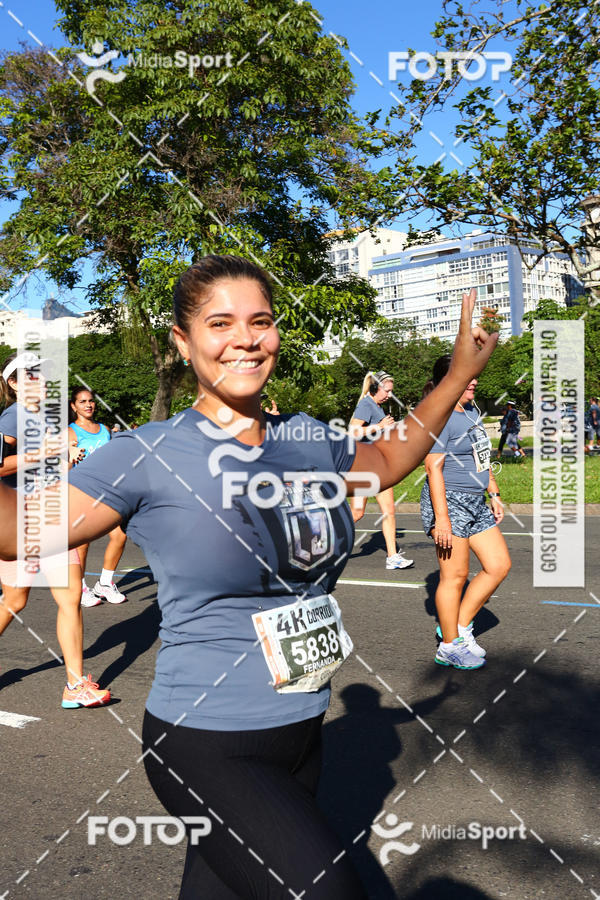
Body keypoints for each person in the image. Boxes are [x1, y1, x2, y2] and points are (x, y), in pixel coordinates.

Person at [0, 258, 497, 898]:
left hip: (302, 728)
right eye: (220, 323)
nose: (245, 338)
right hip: (207, 742)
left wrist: (456, 375)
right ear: (183, 342)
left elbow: (389, 456)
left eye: (260, 321)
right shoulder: (147, 455)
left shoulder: (308, 438)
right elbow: (18, 531)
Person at [0, 353, 109, 708]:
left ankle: (75, 684)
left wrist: (66, 460)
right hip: (20, 520)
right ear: (15, 383)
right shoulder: (13, 417)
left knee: (70, 596)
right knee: (14, 600)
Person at [421, 356, 511, 670]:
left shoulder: (471, 410)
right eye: (467, 375)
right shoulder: (440, 414)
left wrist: (493, 492)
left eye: (474, 375)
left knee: (498, 565)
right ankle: (449, 647)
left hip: (476, 500)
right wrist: (442, 518)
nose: (474, 380)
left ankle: (458, 627)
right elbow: (433, 468)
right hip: (449, 501)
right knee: (455, 577)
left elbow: (481, 456)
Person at [68, 388, 128, 607]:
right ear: (74, 406)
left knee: (120, 535)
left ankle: (104, 583)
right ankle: (81, 588)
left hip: (107, 492)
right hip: (82, 493)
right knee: (82, 545)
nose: (88, 405)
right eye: (82, 401)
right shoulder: (70, 433)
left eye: (91, 401)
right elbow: (64, 467)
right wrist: (69, 457)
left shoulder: (104, 430)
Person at [349, 371, 414, 570]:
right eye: (387, 390)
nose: (389, 395)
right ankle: (323, 541)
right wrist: (379, 426)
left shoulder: (377, 406)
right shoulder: (366, 404)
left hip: (380, 468)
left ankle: (392, 556)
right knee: (357, 513)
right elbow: (352, 431)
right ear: (375, 388)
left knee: (388, 511)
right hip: (364, 468)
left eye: (391, 391)